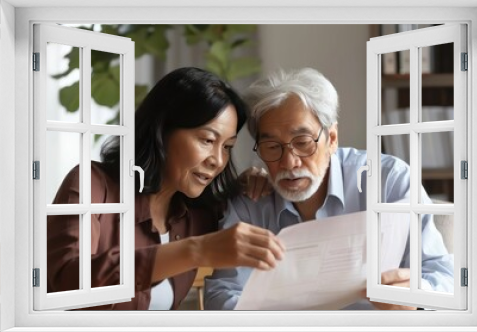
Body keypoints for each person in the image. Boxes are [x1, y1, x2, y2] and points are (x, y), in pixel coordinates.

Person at [204, 67, 454, 310]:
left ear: (332, 138)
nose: (289, 162)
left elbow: (443, 276)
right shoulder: (252, 197)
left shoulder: (388, 181)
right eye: (271, 146)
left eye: (302, 143)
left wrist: (415, 298)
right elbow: (222, 292)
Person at [47, 67, 285, 310]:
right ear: (162, 130)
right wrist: (194, 250)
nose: (217, 160)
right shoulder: (93, 185)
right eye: (207, 140)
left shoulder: (201, 213)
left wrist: (255, 179)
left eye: (227, 147)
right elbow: (67, 281)